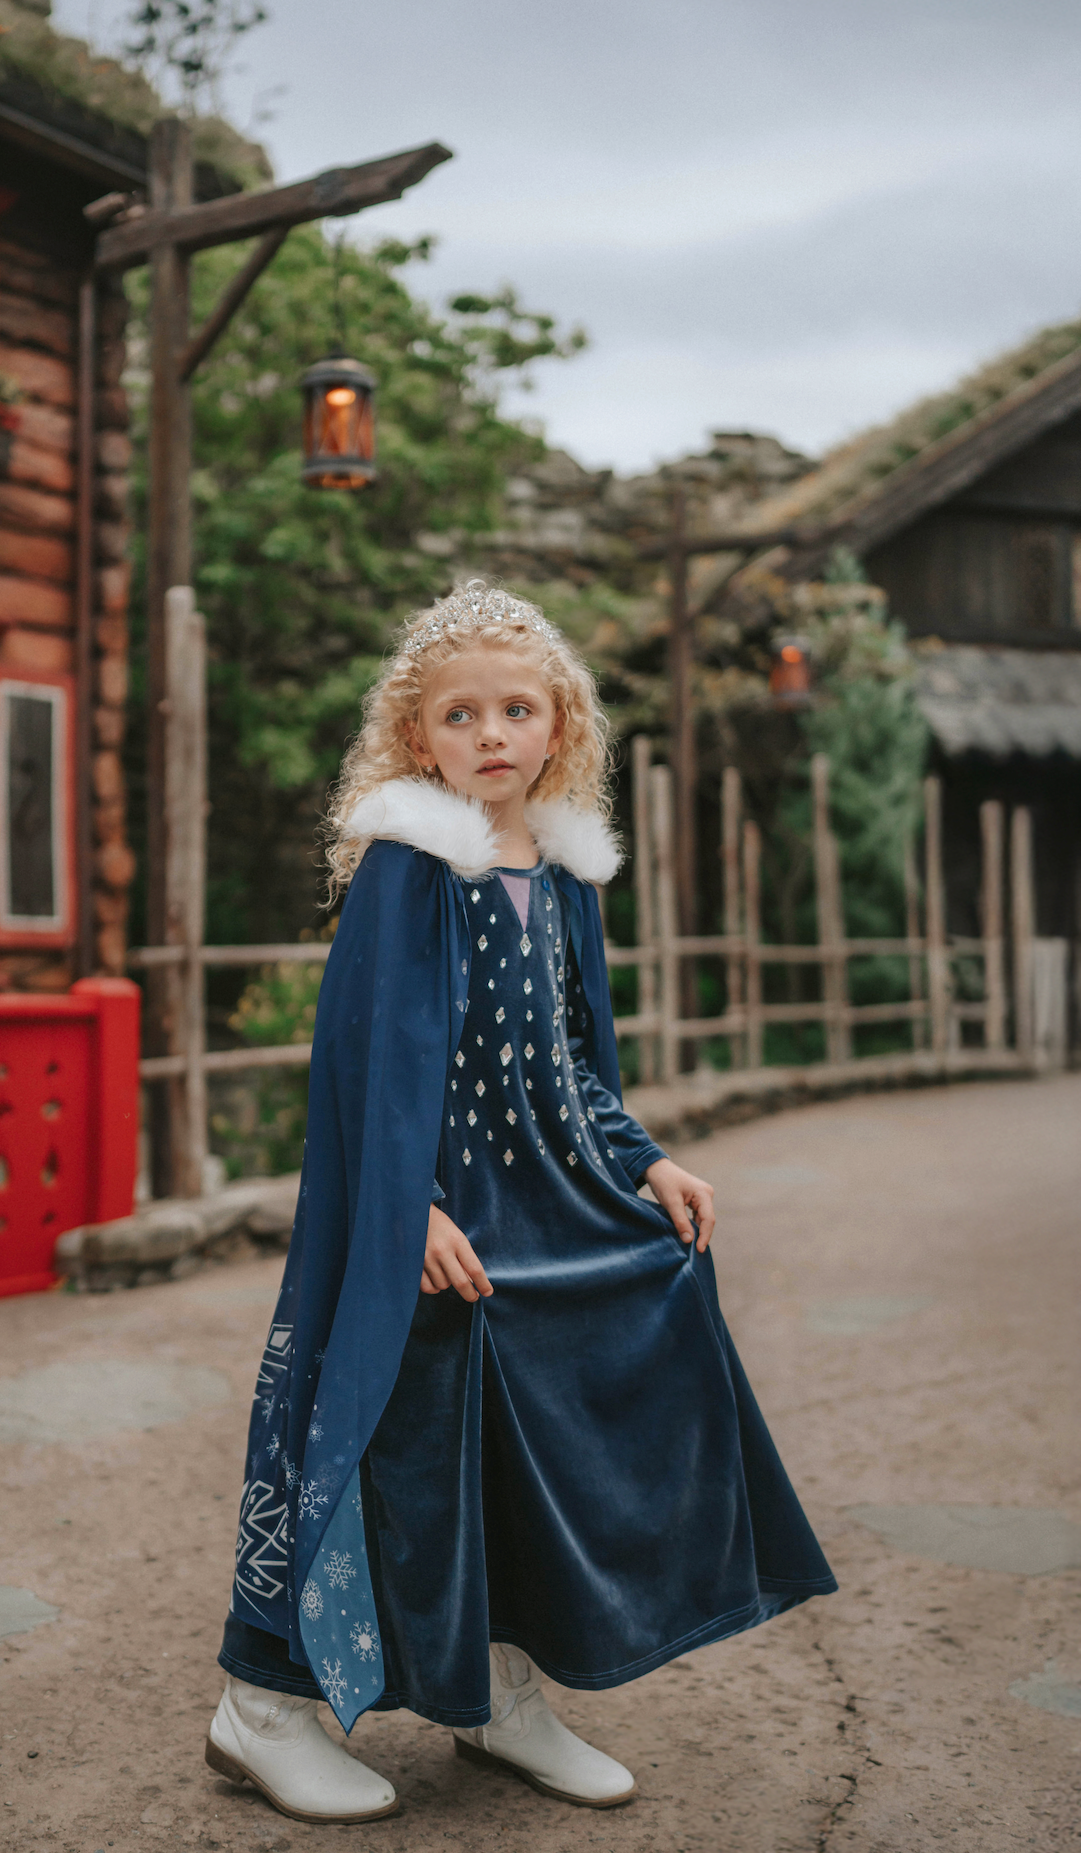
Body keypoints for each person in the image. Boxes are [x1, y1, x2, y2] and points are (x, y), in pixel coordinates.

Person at [205, 580, 836, 1823]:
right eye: (458, 716)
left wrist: (645, 1158)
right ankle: (262, 1706)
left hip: (546, 1200)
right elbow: (365, 1070)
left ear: (559, 728)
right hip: (429, 1214)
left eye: (516, 710)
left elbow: (573, 1066)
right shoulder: (408, 866)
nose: (490, 734)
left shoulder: (562, 875)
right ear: (414, 737)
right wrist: (406, 1216)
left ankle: (498, 1690)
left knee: (551, 1414)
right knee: (384, 1439)